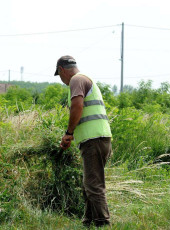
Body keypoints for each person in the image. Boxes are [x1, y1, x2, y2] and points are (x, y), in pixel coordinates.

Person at [55, 55, 112, 227]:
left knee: (93, 184)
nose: (62, 80)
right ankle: (88, 221)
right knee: (89, 182)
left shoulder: (76, 80)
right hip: (101, 138)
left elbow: (77, 106)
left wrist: (69, 133)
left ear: (61, 70)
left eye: (59, 76)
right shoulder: (86, 79)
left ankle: (103, 223)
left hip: (93, 139)